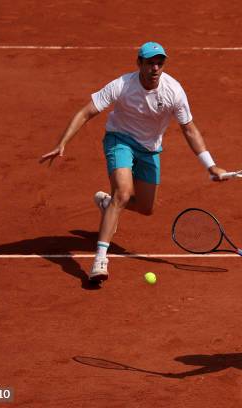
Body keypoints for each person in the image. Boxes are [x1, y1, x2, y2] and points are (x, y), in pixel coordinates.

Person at [41, 41, 225, 282]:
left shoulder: (174, 91)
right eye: (150, 63)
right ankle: (100, 259)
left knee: (146, 208)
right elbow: (86, 112)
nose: (156, 68)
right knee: (124, 193)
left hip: (150, 149)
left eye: (160, 63)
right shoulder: (122, 86)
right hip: (120, 140)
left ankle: (108, 205)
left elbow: (189, 129)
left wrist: (210, 165)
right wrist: (62, 142)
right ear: (139, 63)